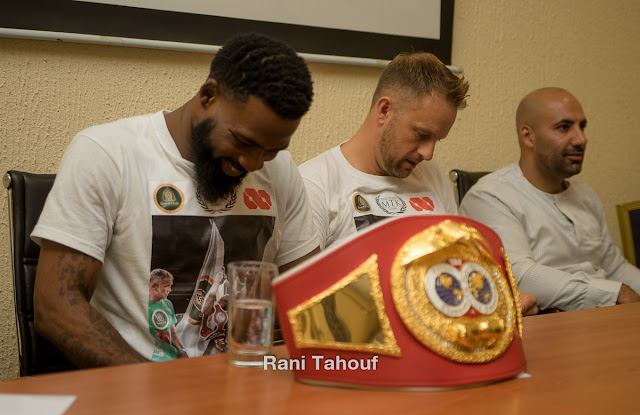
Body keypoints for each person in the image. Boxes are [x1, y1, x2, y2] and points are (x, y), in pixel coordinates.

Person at [31, 33, 320, 368]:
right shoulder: (107, 154)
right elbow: (55, 306)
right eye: (243, 141)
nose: (253, 163)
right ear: (209, 96)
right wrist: (159, 390)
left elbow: (311, 295)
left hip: (246, 387)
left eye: (271, 150)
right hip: (138, 391)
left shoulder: (281, 171)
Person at [299, 52, 538, 316]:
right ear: (384, 110)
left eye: (437, 139)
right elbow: (308, 306)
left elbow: (459, 268)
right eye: (422, 134)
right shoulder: (315, 185)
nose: (428, 153)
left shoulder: (431, 175)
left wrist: (501, 298)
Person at [459, 87, 640, 311]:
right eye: (564, 128)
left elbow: (614, 267)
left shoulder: (585, 195)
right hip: (553, 327)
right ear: (529, 136)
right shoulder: (490, 197)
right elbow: (519, 275)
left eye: (581, 127)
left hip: (608, 317)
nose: (581, 139)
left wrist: (621, 292)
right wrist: (614, 294)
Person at [148, 269, 188, 361]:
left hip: (170, 356)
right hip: (152, 359)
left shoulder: (167, 304)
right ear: (154, 286)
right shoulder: (141, 306)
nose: (170, 290)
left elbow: (173, 334)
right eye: (167, 286)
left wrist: (182, 351)